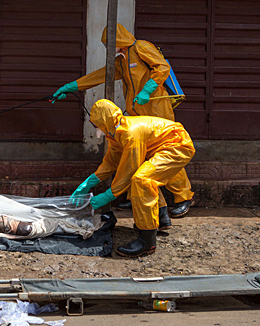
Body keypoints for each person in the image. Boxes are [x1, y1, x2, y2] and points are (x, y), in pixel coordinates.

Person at [52, 23, 194, 219]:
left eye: (109, 44)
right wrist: (71, 86)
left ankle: (183, 197)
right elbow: (100, 76)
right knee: (136, 156)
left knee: (160, 153)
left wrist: (146, 90)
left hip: (156, 109)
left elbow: (162, 67)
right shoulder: (122, 61)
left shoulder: (141, 47)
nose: (108, 49)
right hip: (137, 114)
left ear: (118, 40)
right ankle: (135, 195)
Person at [70, 99, 195, 257]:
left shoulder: (130, 133)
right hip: (159, 147)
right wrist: (88, 183)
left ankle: (147, 241)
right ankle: (161, 218)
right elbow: (110, 163)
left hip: (177, 146)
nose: (95, 126)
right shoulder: (115, 133)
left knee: (141, 180)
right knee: (143, 178)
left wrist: (108, 195)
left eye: (96, 123)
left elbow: (128, 170)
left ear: (105, 121)